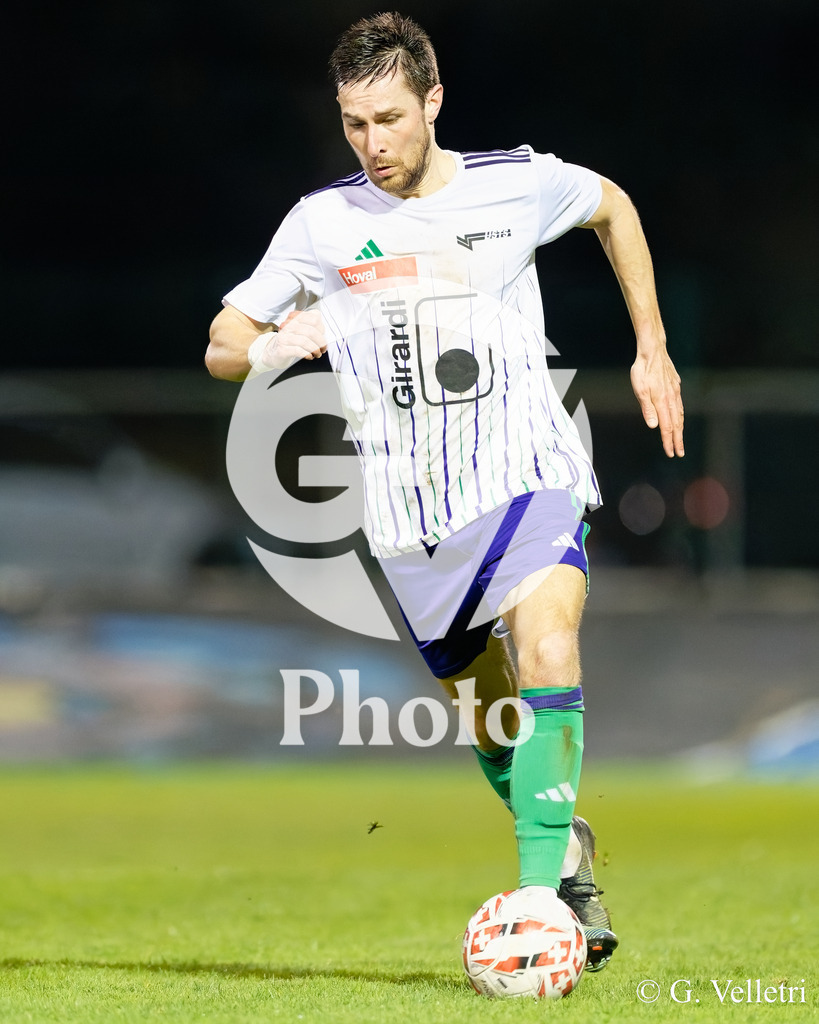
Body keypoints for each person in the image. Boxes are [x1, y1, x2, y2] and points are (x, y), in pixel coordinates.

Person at [206, 11, 684, 973]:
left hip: (523, 471)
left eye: (388, 118)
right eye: (352, 124)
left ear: (432, 101)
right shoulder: (323, 224)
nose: (372, 144)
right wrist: (271, 345)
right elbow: (221, 341)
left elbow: (612, 207)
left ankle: (542, 904)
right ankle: (567, 846)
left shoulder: (515, 183)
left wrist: (652, 347)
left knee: (547, 648)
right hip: (408, 515)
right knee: (496, 723)